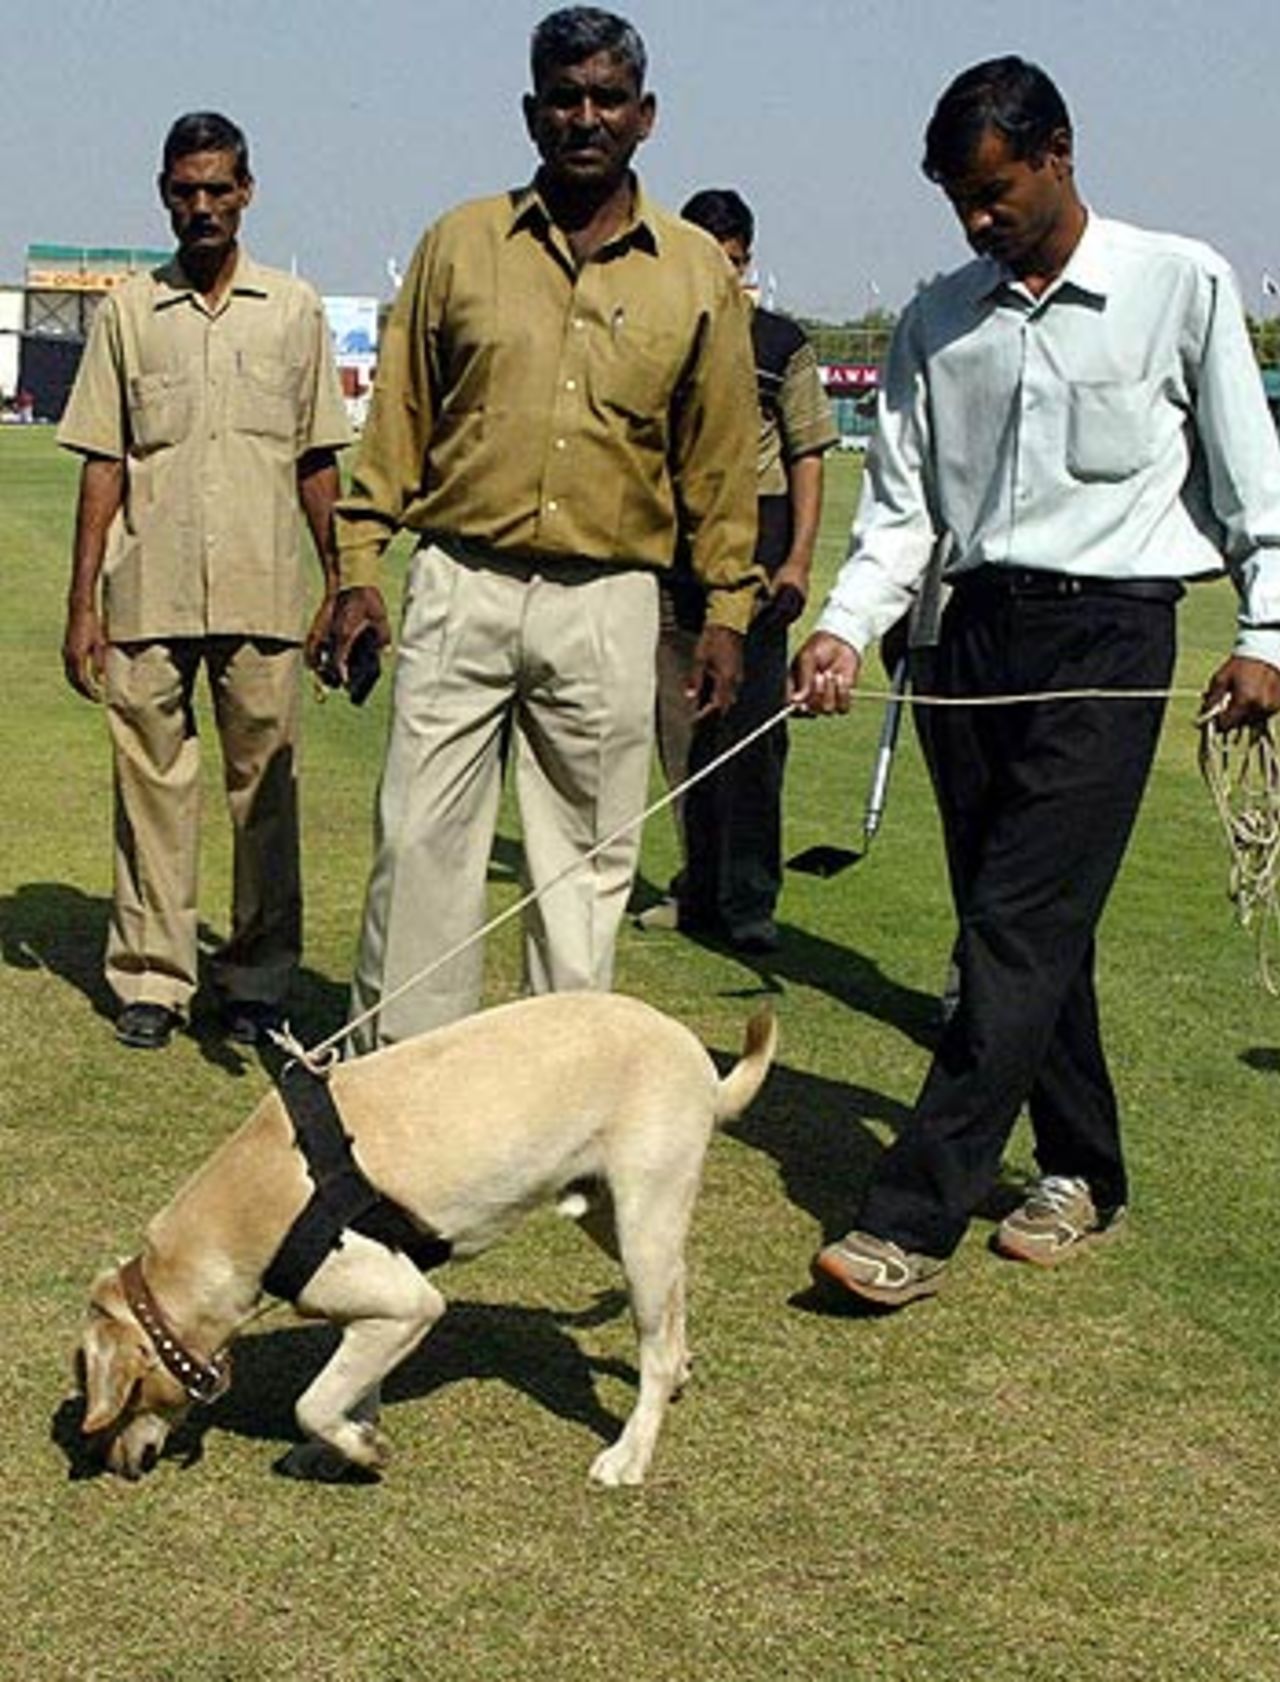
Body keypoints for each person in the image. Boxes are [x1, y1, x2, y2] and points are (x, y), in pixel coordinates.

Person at [792, 56, 1280, 1306]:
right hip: (963, 644)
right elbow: (898, 511)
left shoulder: (1179, 283)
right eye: (955, 198)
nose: (974, 218)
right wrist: (845, 628)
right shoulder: (936, 319)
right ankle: (1081, 1168)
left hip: (1111, 646)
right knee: (1020, 928)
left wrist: (1266, 635)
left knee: (1011, 927)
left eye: (992, 188)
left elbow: (1251, 487)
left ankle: (909, 1215)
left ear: (1057, 152)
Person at [330, 7, 760, 1051]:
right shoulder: (458, 243)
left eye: (606, 98)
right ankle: (397, 1093)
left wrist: (727, 612)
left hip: (610, 599)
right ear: (531, 112)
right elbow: (397, 422)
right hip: (460, 580)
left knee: (582, 871)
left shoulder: (694, 269)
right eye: (563, 97)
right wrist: (355, 568)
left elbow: (718, 459)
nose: (584, 117)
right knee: (420, 851)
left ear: (644, 116)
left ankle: (551, 1101)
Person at [59, 112, 352, 1051]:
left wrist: (344, 581)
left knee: (266, 796)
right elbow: (102, 460)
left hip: (264, 591)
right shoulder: (129, 313)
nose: (202, 207)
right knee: (149, 790)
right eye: (185, 191)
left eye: (217, 189)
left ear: (246, 192)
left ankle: (258, 981)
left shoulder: (295, 310)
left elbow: (317, 460)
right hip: (147, 591)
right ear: (164, 193)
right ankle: (152, 977)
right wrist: (82, 606)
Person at [637, 188, 836, 953]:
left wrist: (797, 561)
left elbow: (807, 454)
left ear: (749, 260)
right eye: (710, 259)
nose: (724, 276)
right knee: (682, 734)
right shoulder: (660, 335)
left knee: (752, 741)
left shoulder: (781, 343)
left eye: (737, 262)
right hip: (672, 562)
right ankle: (697, 890)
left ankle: (750, 900)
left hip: (757, 559)